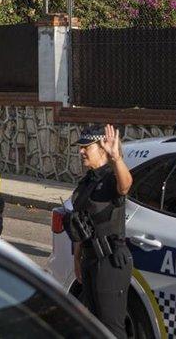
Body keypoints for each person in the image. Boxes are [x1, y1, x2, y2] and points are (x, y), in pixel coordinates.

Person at [65, 124, 133, 339]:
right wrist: (77, 259)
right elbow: (81, 222)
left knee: (111, 327)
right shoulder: (88, 180)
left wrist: (117, 159)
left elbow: (125, 186)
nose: (81, 151)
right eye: (81, 147)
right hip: (90, 259)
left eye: (86, 147)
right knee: (94, 324)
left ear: (102, 148)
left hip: (110, 261)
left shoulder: (112, 178)